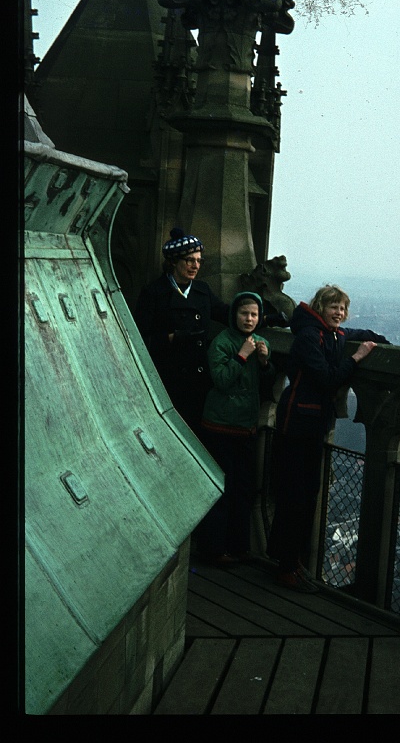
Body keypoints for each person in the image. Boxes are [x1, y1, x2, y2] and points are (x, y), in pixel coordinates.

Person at [266, 284, 391, 593]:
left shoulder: (330, 333)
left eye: (343, 308)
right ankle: (285, 567)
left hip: (311, 426)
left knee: (306, 494)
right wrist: (358, 357)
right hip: (295, 426)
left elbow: (353, 332)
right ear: (320, 308)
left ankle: (290, 562)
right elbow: (328, 379)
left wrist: (377, 338)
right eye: (334, 307)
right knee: (295, 495)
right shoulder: (310, 337)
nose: (339, 313)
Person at [194, 292, 275, 567]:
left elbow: (264, 384)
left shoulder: (261, 342)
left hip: (245, 427)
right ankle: (213, 550)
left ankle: (238, 547)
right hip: (219, 427)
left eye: (254, 314)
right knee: (222, 490)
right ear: (234, 315)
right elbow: (221, 380)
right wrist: (242, 356)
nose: (249, 319)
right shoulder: (221, 342)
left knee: (243, 490)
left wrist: (265, 362)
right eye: (244, 313)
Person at [134, 227, 230, 435]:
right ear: (173, 262)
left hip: (198, 382)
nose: (196, 266)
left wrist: (259, 314)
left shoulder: (202, 291)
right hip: (167, 381)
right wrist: (172, 337)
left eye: (199, 260)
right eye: (189, 260)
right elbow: (137, 340)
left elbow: (226, 314)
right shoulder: (154, 293)